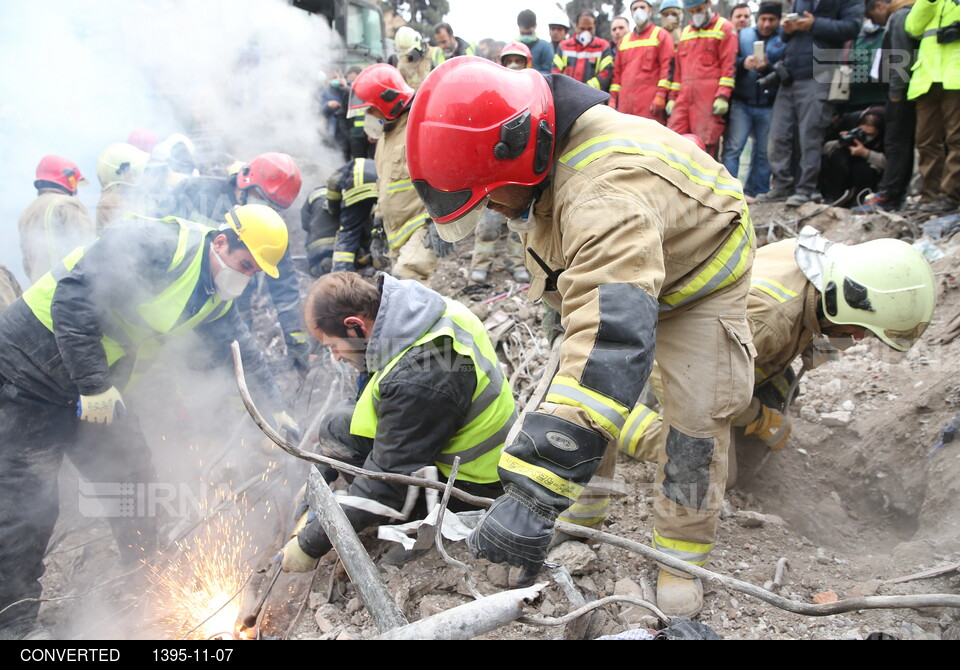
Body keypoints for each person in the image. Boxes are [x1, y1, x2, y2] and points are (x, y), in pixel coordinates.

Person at [406, 57, 756, 617]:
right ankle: (587, 513)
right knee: (584, 395)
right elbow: (594, 326)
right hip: (624, 271)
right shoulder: (542, 158)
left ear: (517, 159)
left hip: (696, 280)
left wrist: (532, 493)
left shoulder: (604, 194)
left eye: (491, 196)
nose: (494, 207)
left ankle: (681, 558)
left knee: (693, 423)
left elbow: (609, 343)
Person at [0, 204, 298, 640]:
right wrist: (95, 386)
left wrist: (275, 412)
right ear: (220, 243)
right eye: (243, 265)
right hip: (28, 371)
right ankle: (17, 624)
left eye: (255, 272)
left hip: (90, 387)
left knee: (132, 477)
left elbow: (239, 351)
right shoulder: (153, 246)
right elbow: (71, 302)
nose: (245, 277)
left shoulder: (214, 294)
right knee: (32, 504)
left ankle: (145, 575)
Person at [620, 227, 935, 470]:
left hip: (719, 344)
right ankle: (616, 419)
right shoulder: (770, 321)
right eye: (861, 329)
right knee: (714, 468)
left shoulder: (819, 267)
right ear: (846, 303)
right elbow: (699, 384)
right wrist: (762, 421)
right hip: (670, 358)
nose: (860, 339)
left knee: (777, 392)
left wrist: (819, 342)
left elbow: (802, 325)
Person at [281, 271, 516, 572]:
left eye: (332, 346)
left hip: (475, 486)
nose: (337, 357)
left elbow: (386, 482)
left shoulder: (423, 374)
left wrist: (309, 546)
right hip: (448, 434)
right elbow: (370, 398)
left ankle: (416, 520)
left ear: (354, 326)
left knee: (381, 488)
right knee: (337, 426)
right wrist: (323, 475)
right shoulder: (404, 314)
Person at [159, 152, 308, 376]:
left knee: (227, 373)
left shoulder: (270, 226)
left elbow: (284, 284)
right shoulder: (195, 192)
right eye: (264, 199)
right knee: (173, 364)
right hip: (177, 296)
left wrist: (295, 338)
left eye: (275, 207)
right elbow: (159, 237)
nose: (267, 209)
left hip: (233, 305)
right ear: (246, 181)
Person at [347, 64, 450, 283]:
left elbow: (448, 175)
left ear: (387, 102)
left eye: (370, 109)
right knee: (405, 293)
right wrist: (377, 228)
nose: (367, 116)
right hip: (396, 232)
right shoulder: (384, 139)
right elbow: (382, 186)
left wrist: (442, 222)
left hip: (423, 225)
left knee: (407, 280)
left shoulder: (420, 127)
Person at [757, 0, 863, 207]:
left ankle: (807, 189)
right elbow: (785, 39)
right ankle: (781, 186)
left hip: (820, 72)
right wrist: (788, 30)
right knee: (778, 135)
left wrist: (814, 24)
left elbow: (852, 27)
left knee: (810, 136)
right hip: (790, 74)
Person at [853, 0, 918, 213]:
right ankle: (893, 195)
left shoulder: (899, 17)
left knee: (896, 143)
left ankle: (889, 196)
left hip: (899, 94)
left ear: (880, 5)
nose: (873, 22)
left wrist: (896, 93)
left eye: (872, 16)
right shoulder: (903, 16)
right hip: (901, 91)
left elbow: (900, 55)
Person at [721, 2, 786, 199]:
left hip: (768, 104)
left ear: (778, 20)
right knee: (734, 148)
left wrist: (767, 67)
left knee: (764, 151)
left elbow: (786, 70)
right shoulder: (743, 36)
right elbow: (731, 63)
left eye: (771, 20)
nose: (767, 24)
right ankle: (727, 192)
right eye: (764, 19)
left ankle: (757, 191)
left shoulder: (784, 38)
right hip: (742, 101)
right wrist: (744, 64)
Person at [903, 0, 960, 213]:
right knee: (926, 141)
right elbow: (912, 27)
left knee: (956, 140)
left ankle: (950, 196)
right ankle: (929, 197)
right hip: (927, 79)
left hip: (956, 78)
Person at [667, 0, 738, 157]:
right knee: (673, 140)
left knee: (705, 146)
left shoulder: (724, 28)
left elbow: (728, 66)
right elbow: (679, 71)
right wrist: (673, 97)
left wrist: (723, 96)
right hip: (684, 99)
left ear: (708, 4)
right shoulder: (686, 32)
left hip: (708, 101)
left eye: (698, 9)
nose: (695, 14)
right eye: (691, 11)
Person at [19, 155, 96, 284]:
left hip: (40, 293)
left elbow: (27, 263)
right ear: (67, 179)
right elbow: (89, 249)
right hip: (66, 291)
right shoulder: (66, 203)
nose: (76, 191)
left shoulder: (27, 213)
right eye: (75, 183)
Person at [610, 0, 675, 124]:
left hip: (649, 105)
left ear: (650, 10)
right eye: (634, 9)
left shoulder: (661, 35)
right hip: (626, 105)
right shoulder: (624, 41)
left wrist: (661, 96)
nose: (638, 11)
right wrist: (613, 98)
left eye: (642, 7)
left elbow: (667, 69)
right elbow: (617, 75)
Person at [819, 106, 886, 204]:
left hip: (870, 167)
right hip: (845, 161)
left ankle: (858, 201)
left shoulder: (888, 134)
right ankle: (833, 196)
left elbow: (892, 164)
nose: (865, 137)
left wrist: (866, 153)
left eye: (870, 134)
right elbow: (824, 148)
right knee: (837, 156)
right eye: (862, 132)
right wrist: (844, 142)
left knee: (864, 169)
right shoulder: (849, 121)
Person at [325, 157, 379, 273]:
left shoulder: (348, 167)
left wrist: (333, 208)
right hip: (381, 190)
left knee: (349, 232)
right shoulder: (376, 161)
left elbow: (333, 183)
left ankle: (341, 270)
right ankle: (380, 262)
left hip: (357, 193)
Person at [95, 142, 151, 233]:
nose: (133, 175)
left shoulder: (128, 195)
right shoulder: (111, 201)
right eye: (129, 171)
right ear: (120, 173)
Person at [552, 11, 615, 91]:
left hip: (593, 98)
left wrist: (584, 90)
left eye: (590, 29)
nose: (586, 32)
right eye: (582, 28)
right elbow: (556, 71)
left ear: (594, 27)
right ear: (576, 26)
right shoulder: (564, 46)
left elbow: (606, 73)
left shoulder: (603, 47)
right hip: (567, 96)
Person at [394, 26, 444, 90]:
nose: (409, 55)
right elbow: (400, 88)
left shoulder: (435, 53)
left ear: (419, 44)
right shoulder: (402, 64)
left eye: (411, 52)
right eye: (406, 54)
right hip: (415, 99)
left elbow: (444, 79)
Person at [518, 9, 556, 75]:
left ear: (535, 26)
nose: (526, 36)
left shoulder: (545, 47)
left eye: (529, 33)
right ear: (518, 26)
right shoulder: (512, 48)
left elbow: (548, 72)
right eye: (523, 33)